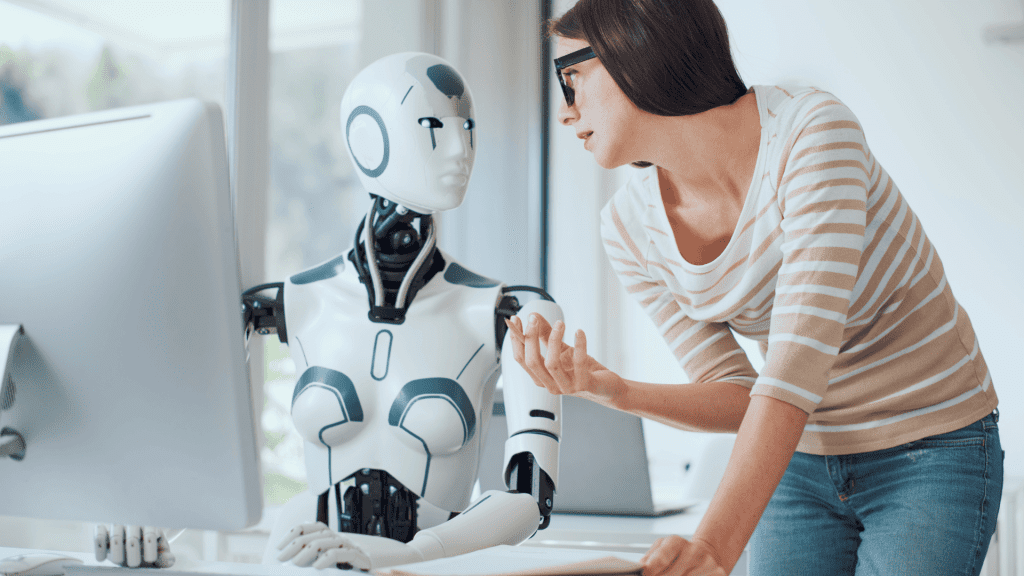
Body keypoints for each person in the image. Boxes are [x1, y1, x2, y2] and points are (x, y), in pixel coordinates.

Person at [504, 1, 1003, 575]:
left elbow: (793, 366)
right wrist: (612, 389)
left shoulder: (813, 134)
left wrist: (715, 547)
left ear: (633, 52)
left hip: (929, 444)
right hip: (798, 457)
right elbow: (741, 394)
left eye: (571, 80)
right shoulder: (628, 228)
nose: (565, 114)